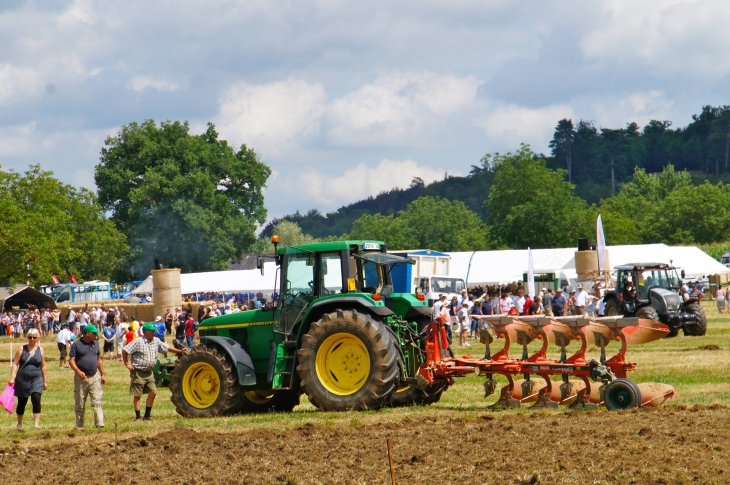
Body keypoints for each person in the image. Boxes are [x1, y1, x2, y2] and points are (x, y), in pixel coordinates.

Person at [123, 323, 188, 421]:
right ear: (146, 332)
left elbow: (167, 348)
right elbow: (125, 350)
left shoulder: (156, 341)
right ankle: (138, 416)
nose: (154, 333)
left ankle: (147, 415)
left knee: (153, 392)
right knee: (138, 394)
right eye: (152, 331)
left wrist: (180, 351)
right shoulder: (138, 341)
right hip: (138, 372)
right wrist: (127, 364)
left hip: (149, 372)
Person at [8, 329, 48, 429]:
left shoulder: (41, 350)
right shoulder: (22, 349)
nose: (32, 339)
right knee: (22, 402)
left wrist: (45, 380)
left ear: (37, 338)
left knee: (36, 399)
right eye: (30, 337)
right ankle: (19, 423)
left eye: (34, 337)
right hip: (22, 379)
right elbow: (15, 363)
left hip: (36, 379)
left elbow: (43, 366)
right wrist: (12, 377)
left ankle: (36, 424)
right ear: (27, 337)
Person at [69, 325, 106, 428]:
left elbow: (99, 360)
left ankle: (99, 424)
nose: (96, 335)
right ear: (87, 333)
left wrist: (103, 374)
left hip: (95, 376)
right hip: (81, 377)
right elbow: (71, 361)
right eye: (94, 333)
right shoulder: (76, 345)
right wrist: (78, 371)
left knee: (97, 401)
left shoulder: (96, 344)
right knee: (80, 402)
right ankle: (79, 425)